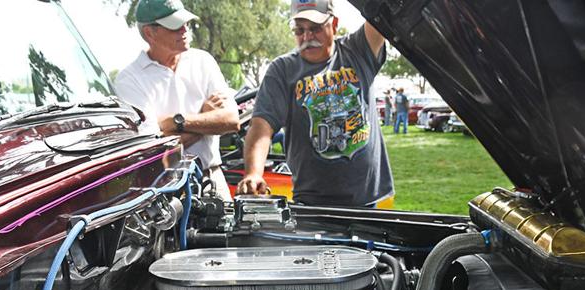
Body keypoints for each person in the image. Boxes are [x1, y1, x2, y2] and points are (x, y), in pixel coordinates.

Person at [237, 0, 394, 208]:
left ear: (334, 24)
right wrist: (254, 173)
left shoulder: (358, 50)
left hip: (369, 200)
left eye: (315, 29)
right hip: (313, 202)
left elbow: (379, 15)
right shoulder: (283, 69)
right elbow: (261, 125)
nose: (307, 37)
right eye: (299, 30)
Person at [114, 0, 240, 200]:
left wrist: (174, 123)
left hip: (211, 179)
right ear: (149, 33)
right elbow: (151, 152)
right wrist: (207, 120)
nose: (184, 30)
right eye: (175, 26)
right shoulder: (129, 80)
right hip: (160, 191)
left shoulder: (203, 61)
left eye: (185, 23)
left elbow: (232, 120)